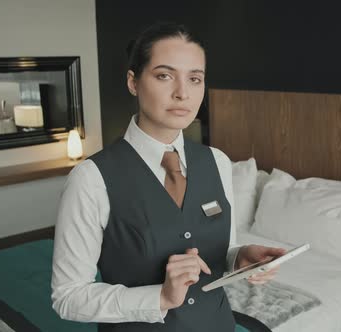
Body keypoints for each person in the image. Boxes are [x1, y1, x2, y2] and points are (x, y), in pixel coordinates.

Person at [51, 22, 285, 332]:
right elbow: (67, 297)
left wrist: (240, 258)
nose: (182, 93)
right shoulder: (91, 178)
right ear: (133, 82)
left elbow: (218, 252)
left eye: (194, 78)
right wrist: (159, 297)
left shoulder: (217, 162)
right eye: (164, 76)